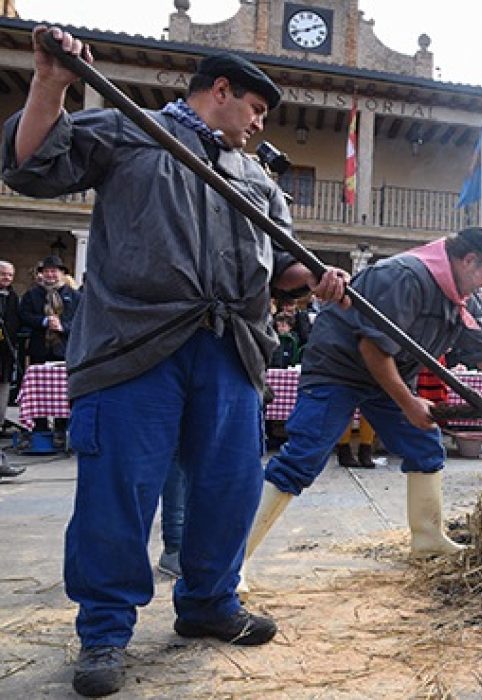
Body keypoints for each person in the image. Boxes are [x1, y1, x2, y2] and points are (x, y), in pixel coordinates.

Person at [2, 28, 349, 697]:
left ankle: (209, 603)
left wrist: (316, 276)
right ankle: (105, 630)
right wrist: (51, 84)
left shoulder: (257, 179)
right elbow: (32, 165)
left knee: (228, 487)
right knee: (120, 492)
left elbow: (280, 270)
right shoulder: (132, 130)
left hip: (230, 349)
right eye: (255, 111)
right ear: (221, 91)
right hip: (136, 343)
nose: (257, 126)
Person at [241, 227, 482, 578]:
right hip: (339, 370)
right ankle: (235, 560)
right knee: (303, 457)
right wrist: (408, 403)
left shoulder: (461, 301)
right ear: (468, 261)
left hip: (389, 376)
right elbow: (372, 348)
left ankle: (428, 540)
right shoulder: (405, 277)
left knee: (425, 447)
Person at [18, 254, 80, 444]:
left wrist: (63, 327)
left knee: (64, 393)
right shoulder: (32, 294)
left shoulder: (74, 296)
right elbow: (24, 315)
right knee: (39, 392)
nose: (50, 275)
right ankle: (40, 428)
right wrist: (43, 321)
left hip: (65, 350)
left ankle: (62, 429)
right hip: (40, 350)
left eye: (54, 271)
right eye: (46, 271)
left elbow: (81, 320)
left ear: (62, 273)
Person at [0, 260, 20, 432]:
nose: (6, 277)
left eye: (10, 275)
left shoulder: (13, 297)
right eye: (3, 274)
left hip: (5, 350)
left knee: (4, 385)